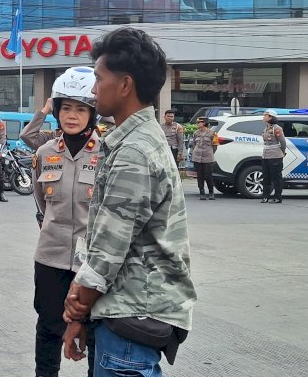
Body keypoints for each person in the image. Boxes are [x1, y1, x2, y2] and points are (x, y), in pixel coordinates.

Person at [61, 28, 196, 376]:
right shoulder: (131, 141)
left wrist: (76, 310)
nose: (93, 90)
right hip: (125, 310)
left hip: (134, 312)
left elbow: (108, 248)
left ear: (124, 85)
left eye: (98, 78)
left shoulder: (135, 151)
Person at [31, 67, 101, 377]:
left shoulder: (109, 152)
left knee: (96, 333)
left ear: (93, 113)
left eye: (81, 109)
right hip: (51, 257)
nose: (72, 116)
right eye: (66, 108)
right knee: (48, 327)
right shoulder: (45, 153)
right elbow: (41, 201)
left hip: (94, 262)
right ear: (57, 111)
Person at [260, 109, 287, 203]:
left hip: (275, 155)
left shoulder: (277, 128)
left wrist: (282, 152)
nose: (264, 117)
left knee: (276, 177)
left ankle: (277, 196)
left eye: (266, 115)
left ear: (271, 117)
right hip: (266, 155)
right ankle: (265, 196)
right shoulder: (266, 128)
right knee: (266, 177)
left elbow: (283, 142)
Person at [191, 117, 219, 201]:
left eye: (199, 122)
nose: (197, 124)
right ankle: (202, 193)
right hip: (197, 157)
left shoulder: (213, 133)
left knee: (208, 176)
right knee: (199, 176)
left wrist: (210, 153)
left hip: (208, 158)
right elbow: (194, 144)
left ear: (204, 123)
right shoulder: (196, 133)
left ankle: (211, 192)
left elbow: (215, 145)